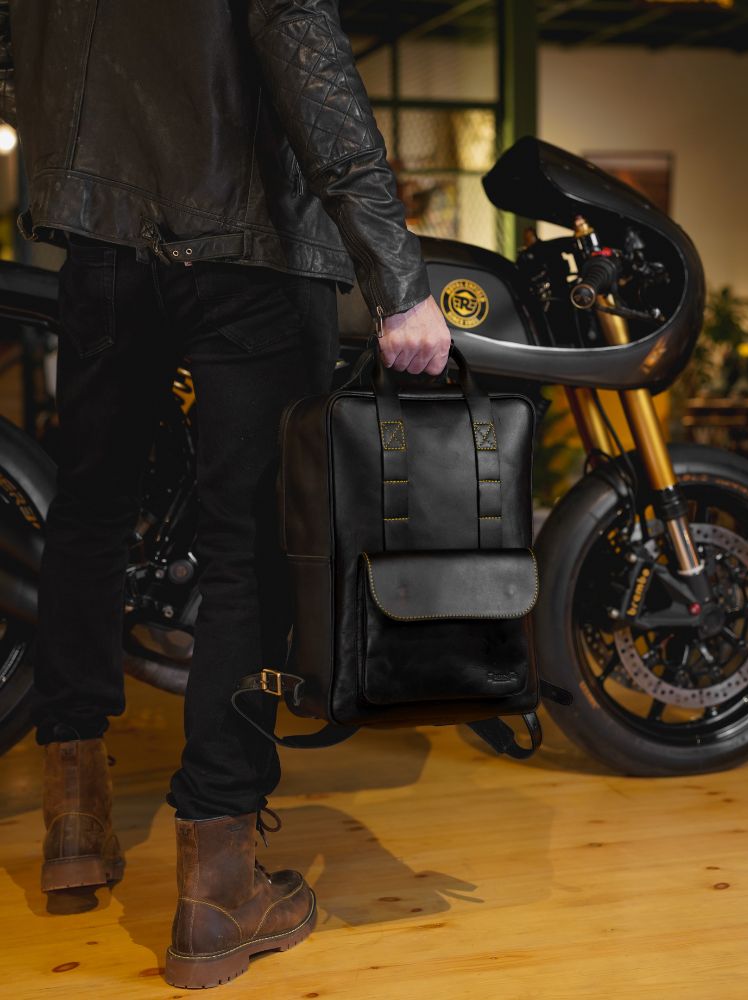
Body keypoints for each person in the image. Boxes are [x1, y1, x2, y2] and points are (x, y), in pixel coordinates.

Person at [0, 0, 451, 989]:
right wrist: (397, 277)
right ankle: (217, 884)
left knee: (88, 515)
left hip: (101, 243)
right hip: (247, 246)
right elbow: (309, 61)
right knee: (247, 545)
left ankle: (72, 821)